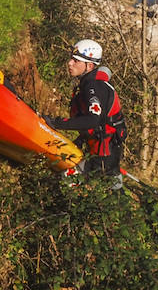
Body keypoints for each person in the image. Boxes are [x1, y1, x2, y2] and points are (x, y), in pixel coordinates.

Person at [45, 39, 127, 190]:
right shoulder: (89, 83)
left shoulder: (93, 87)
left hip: (104, 156)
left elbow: (93, 120)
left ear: (89, 66)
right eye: (71, 58)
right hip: (102, 151)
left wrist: (57, 123)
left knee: (66, 181)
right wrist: (80, 139)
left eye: (76, 61)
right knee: (114, 191)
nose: (70, 63)